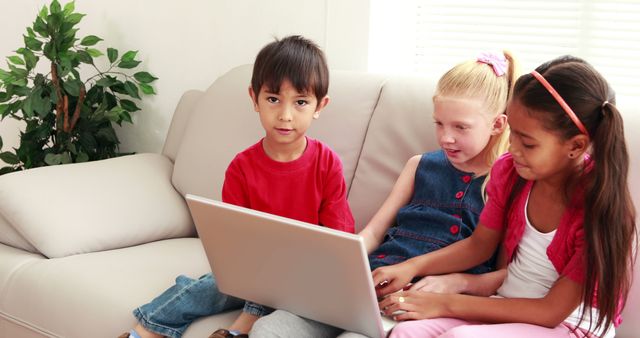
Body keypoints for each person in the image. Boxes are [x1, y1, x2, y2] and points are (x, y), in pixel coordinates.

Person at [249, 51, 519, 338]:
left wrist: (459, 282)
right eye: (438, 124)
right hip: (371, 281)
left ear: (497, 125)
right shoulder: (419, 166)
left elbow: (506, 274)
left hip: (417, 305)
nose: (445, 138)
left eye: (460, 127)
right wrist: (338, 262)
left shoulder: (507, 185)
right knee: (270, 329)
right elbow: (375, 233)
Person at [375, 55, 636, 338]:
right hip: (507, 306)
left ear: (575, 146)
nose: (513, 149)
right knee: (404, 332)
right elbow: (479, 246)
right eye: (513, 134)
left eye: (528, 142)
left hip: (570, 325)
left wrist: (445, 303)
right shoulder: (510, 172)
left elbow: (550, 312)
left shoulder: (602, 208)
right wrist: (409, 267)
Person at [119, 35, 355, 338]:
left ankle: (243, 325)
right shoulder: (242, 167)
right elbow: (233, 243)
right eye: (273, 99)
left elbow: (339, 243)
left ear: (319, 106)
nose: (285, 115)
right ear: (254, 98)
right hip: (252, 272)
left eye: (300, 102)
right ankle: (145, 330)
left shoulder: (327, 164)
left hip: (302, 278)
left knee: (272, 278)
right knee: (203, 287)